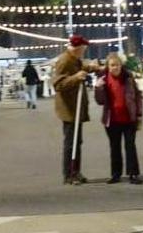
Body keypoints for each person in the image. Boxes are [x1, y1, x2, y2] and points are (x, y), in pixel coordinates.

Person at [94, 53, 143, 185]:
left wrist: (139, 114)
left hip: (129, 119)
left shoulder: (129, 78)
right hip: (112, 120)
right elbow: (100, 101)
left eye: (117, 65)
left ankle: (133, 174)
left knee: (130, 146)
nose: (115, 67)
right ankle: (115, 174)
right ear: (108, 66)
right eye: (112, 65)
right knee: (114, 147)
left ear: (121, 65)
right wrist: (98, 88)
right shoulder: (104, 79)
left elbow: (137, 97)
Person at [51, 35, 92, 185]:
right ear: (77, 48)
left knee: (77, 141)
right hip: (69, 109)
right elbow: (58, 85)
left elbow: (82, 68)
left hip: (76, 107)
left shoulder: (75, 59)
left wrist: (93, 68)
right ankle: (68, 174)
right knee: (71, 142)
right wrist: (75, 77)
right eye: (83, 49)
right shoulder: (64, 61)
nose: (84, 51)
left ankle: (76, 171)